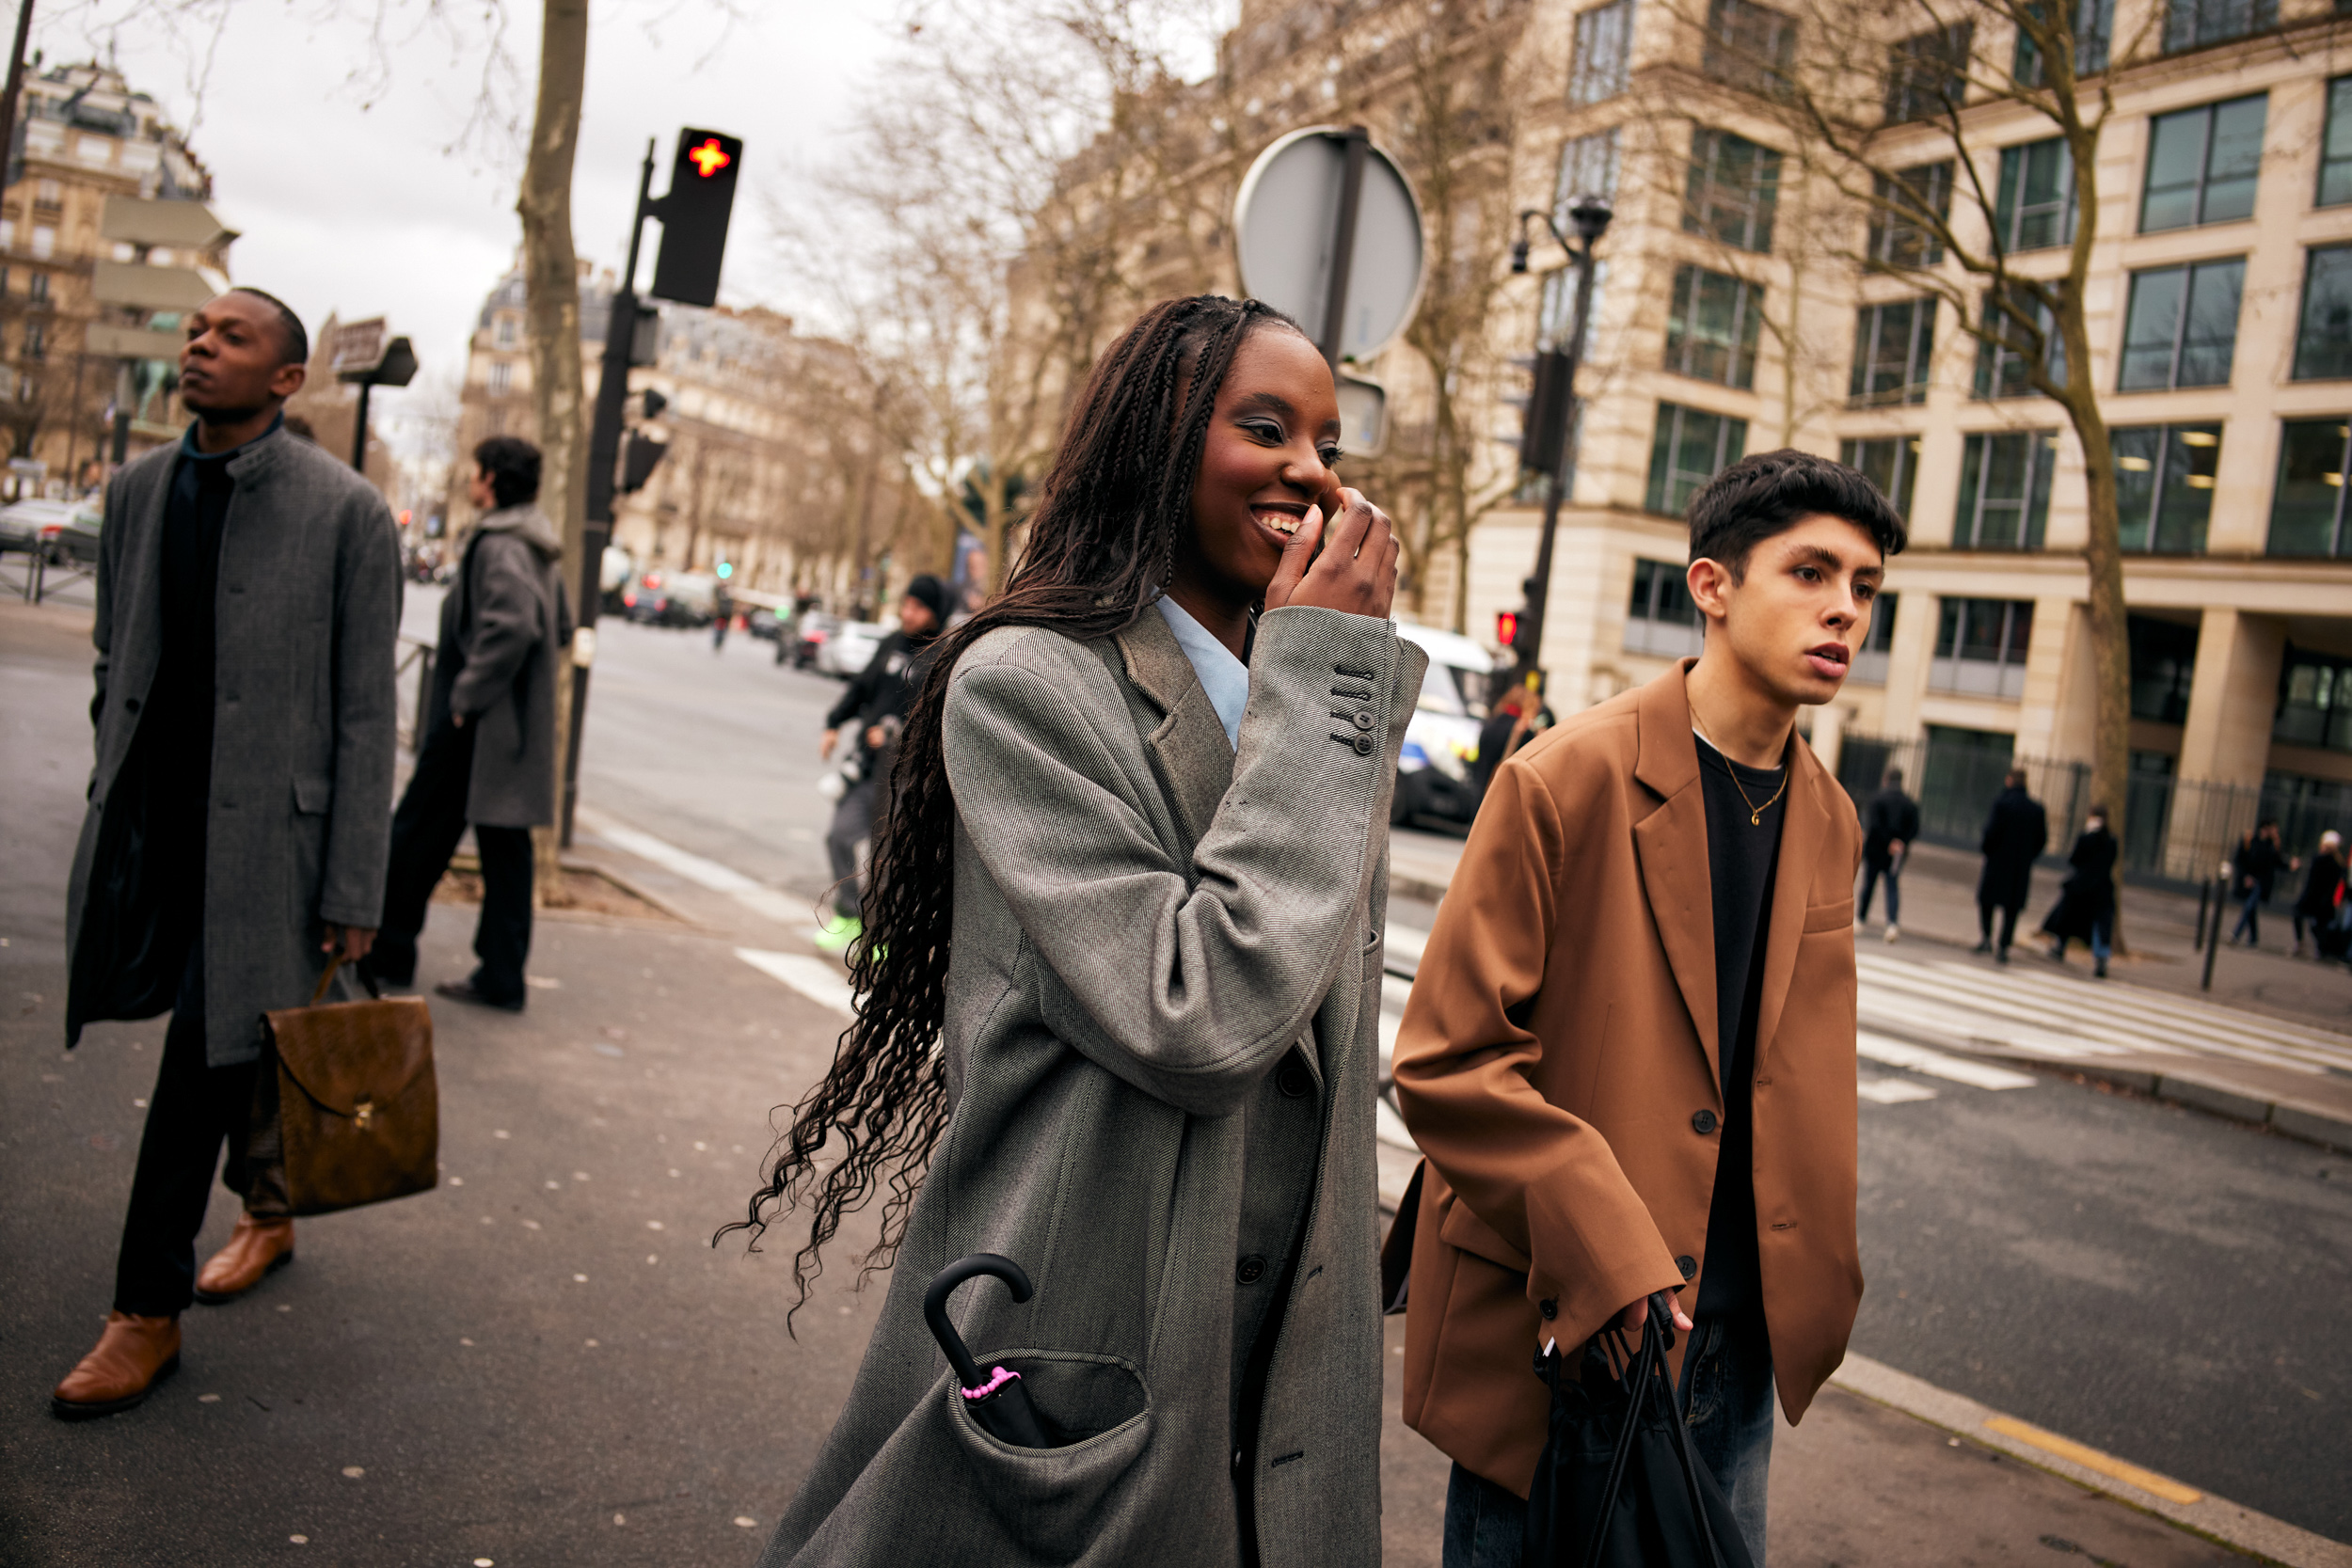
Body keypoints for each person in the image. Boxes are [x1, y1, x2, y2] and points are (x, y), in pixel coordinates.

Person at [728, 296, 1416, 1568]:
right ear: (1157, 439)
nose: (1310, 471)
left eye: (1329, 443)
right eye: (1264, 426)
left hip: (1279, 1354)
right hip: (1100, 1332)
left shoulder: (1314, 700)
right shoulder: (1030, 685)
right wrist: (1327, 672)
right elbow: (1200, 1013)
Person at [1392, 450, 1904, 1566]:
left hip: (1738, 1345)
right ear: (1711, 584)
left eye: (1864, 587)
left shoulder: (1830, 816)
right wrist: (1605, 1246)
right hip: (1565, 1330)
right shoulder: (1562, 775)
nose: (1843, 609)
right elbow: (1446, 1059)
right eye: (1810, 572)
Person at [54, 289, 401, 1417]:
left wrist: (355, 886)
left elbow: (364, 714)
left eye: (232, 336)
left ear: (288, 379)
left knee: (198, 1057)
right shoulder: (138, 487)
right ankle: (272, 1201)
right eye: (195, 330)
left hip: (271, 849)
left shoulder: (348, 512)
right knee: (243, 1036)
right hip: (152, 830)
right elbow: (118, 653)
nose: (201, 345)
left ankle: (143, 1310)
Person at [366, 437, 570, 1013]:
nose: (470, 479)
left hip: (477, 726)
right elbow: (557, 625)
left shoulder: (500, 543)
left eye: (476, 471)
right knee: (503, 852)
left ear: (492, 480)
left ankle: (388, 949)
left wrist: (467, 696)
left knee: (415, 833)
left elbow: (514, 626)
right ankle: (500, 975)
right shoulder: (539, 543)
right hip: (510, 732)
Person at [813, 575, 947, 954]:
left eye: (917, 607)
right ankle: (846, 915)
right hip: (868, 767)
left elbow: (934, 724)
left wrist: (896, 734)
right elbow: (861, 688)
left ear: (934, 612)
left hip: (904, 779)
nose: (908, 613)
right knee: (839, 835)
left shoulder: (941, 656)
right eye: (905, 604)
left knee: (887, 861)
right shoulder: (891, 643)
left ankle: (881, 937)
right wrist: (834, 723)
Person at [1974, 769, 2047, 963]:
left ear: (2009, 781)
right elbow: (2041, 840)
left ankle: (1987, 938)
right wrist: (2029, 856)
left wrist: (1988, 850)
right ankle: (2003, 946)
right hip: (2019, 867)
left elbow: (1990, 832)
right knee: (2011, 908)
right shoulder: (2036, 809)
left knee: (1986, 902)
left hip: (1997, 862)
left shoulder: (2001, 804)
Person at [2040, 806, 2120, 978]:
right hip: (2102, 889)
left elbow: (2075, 859)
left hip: (2081, 886)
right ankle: (2101, 960)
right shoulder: (2111, 841)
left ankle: (2060, 947)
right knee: (2100, 924)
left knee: (2069, 916)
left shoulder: (2086, 838)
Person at [1857, 766, 1919, 942]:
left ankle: (1861, 919)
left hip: (1877, 850)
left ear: (1886, 779)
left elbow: (1874, 826)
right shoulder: (1909, 803)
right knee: (1892, 887)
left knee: (1869, 885)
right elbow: (1914, 828)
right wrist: (1900, 842)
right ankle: (1892, 923)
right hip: (1896, 854)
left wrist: (1888, 841)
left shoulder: (1877, 799)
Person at [2229, 818, 2293, 947]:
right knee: (2250, 908)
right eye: (2274, 828)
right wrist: (2246, 876)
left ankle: (2236, 934)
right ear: (2266, 828)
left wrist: (2290, 865)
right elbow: (2240, 860)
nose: (2276, 832)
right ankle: (2253, 939)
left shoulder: (2272, 845)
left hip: (2261, 882)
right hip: (2249, 880)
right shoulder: (2250, 840)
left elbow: (2276, 863)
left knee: (2249, 906)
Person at [2294, 831, 2345, 958]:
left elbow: (2315, 883)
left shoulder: (2324, 861)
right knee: (2318, 925)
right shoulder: (2334, 863)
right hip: (2321, 901)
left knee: (2314, 924)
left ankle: (2315, 947)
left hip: (2316, 899)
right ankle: (2320, 949)